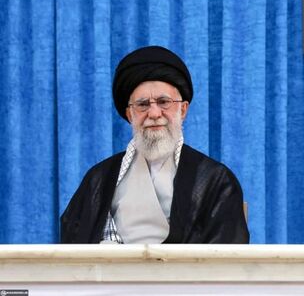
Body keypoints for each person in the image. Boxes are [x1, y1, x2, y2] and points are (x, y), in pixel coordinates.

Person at [60, 46, 249, 244]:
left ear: (183, 110)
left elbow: (226, 253)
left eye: (163, 102)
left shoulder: (215, 180)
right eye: (142, 105)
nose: (154, 113)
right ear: (129, 114)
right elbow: (73, 243)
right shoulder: (99, 178)